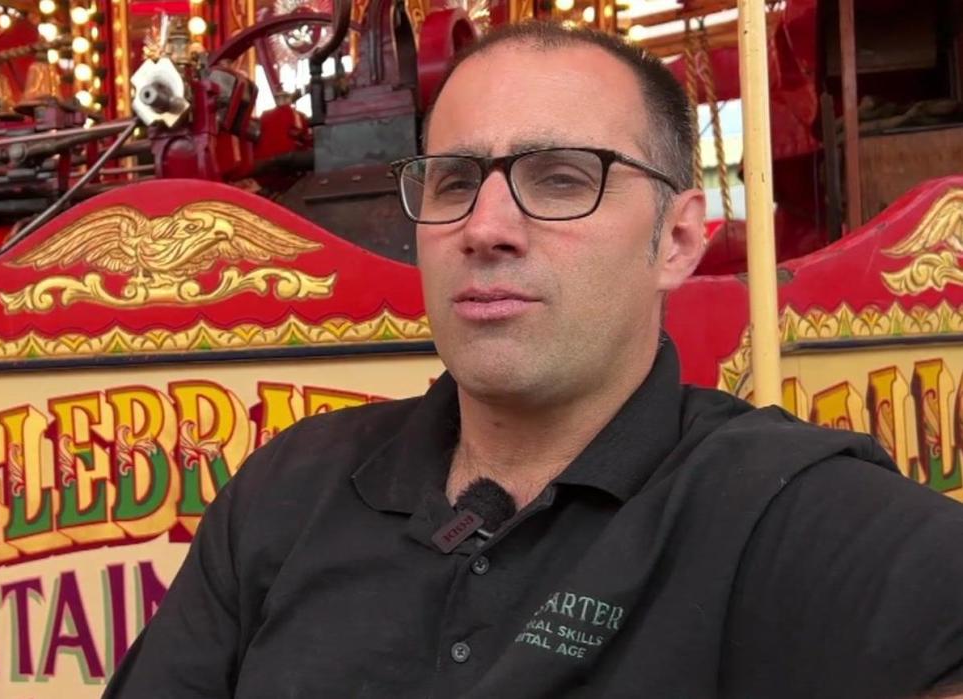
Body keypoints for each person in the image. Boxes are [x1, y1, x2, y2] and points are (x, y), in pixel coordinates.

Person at [104, 21, 963, 699]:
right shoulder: (288, 489)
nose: (485, 227)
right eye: (452, 182)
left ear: (678, 238)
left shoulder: (776, 506)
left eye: (560, 178)